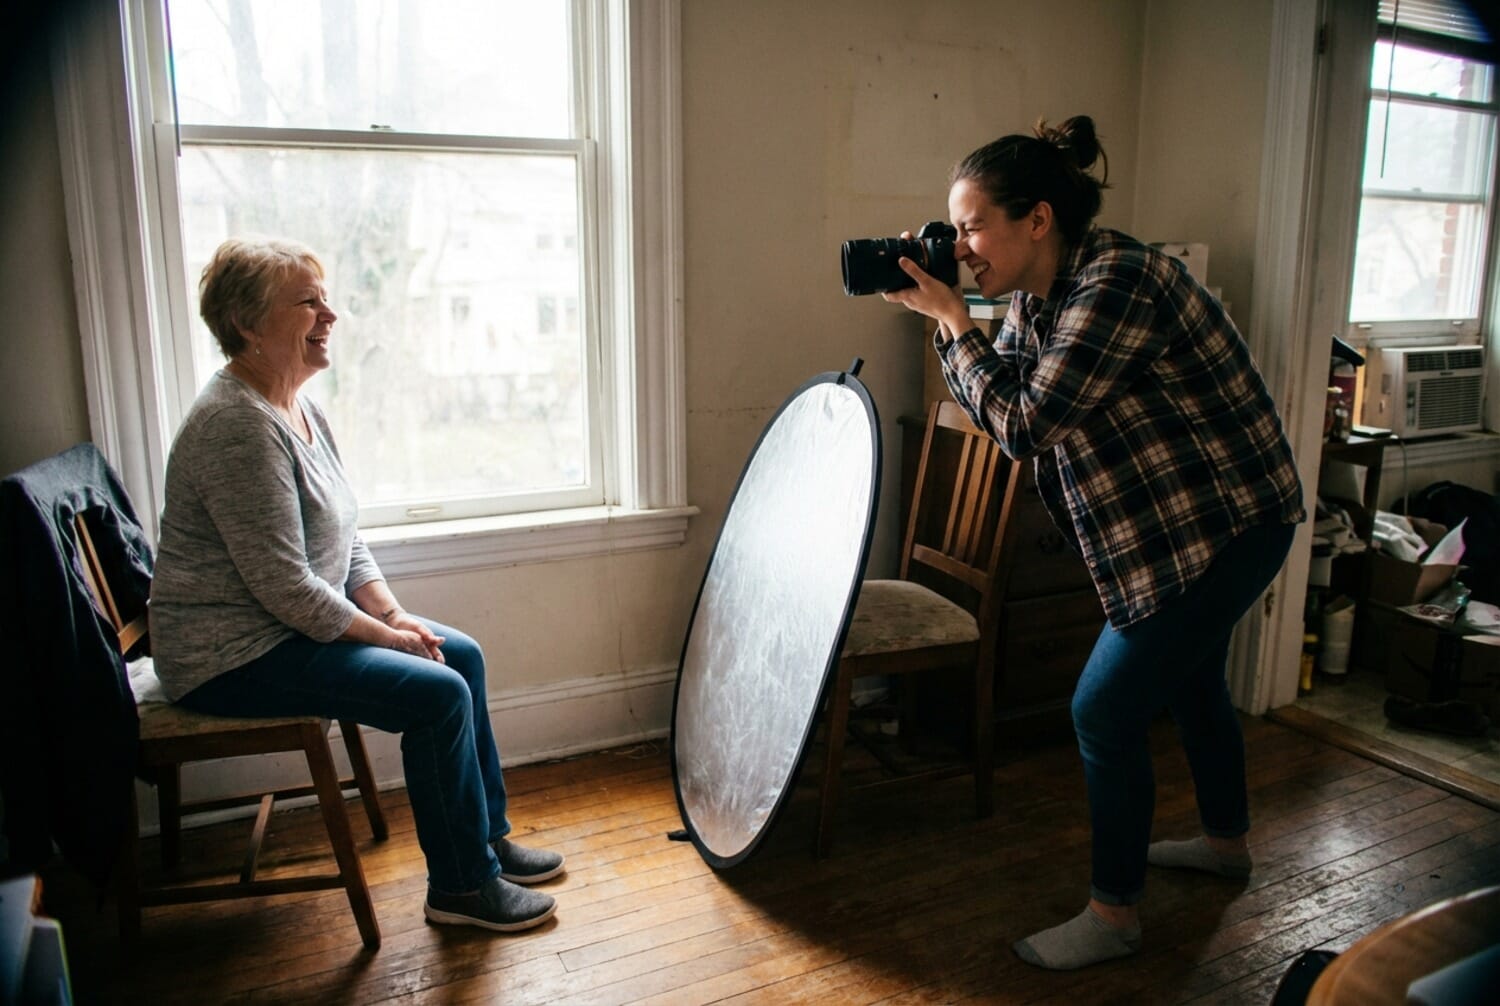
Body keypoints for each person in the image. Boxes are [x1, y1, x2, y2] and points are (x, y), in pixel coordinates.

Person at [883, 116, 1305, 970]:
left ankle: (1115, 917)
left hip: (1228, 523)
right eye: (954, 230)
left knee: (1103, 709)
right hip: (1175, 526)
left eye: (970, 226)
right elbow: (999, 408)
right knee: (1192, 686)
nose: (960, 246)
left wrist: (953, 319)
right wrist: (948, 313)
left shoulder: (1122, 281)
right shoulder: (1036, 299)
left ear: (1036, 219)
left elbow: (1027, 422)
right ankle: (1226, 847)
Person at [149, 237, 564, 934]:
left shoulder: (301, 409)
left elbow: (347, 540)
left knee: (457, 654)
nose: (330, 313)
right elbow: (289, 589)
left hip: (281, 628)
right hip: (229, 656)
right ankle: (460, 889)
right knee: (436, 692)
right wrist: (389, 637)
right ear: (248, 326)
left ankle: (484, 839)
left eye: (326, 297)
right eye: (308, 301)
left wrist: (398, 616)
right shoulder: (234, 427)